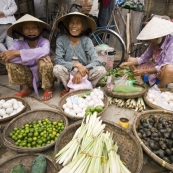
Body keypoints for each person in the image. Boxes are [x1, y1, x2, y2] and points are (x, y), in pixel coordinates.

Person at [0, 14, 55, 101]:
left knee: (45, 62)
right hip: (28, 77)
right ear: (22, 31)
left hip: (42, 77)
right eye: (26, 28)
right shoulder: (19, 44)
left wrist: (18, 53)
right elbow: (8, 57)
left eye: (34, 28)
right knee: (10, 63)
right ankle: (26, 88)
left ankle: (48, 88)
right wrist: (36, 57)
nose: (30, 31)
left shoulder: (44, 41)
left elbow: (44, 51)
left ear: (39, 29)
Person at [53, 12, 106, 97]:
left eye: (78, 23)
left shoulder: (86, 41)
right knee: (57, 69)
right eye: (71, 22)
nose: (74, 26)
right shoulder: (61, 40)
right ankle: (67, 88)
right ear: (67, 25)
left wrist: (82, 70)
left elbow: (95, 60)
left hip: (84, 72)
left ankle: (87, 88)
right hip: (68, 72)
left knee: (101, 70)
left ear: (82, 27)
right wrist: (76, 65)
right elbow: (58, 60)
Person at [120, 17, 173, 88]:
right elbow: (143, 58)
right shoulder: (154, 43)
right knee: (130, 59)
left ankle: (159, 88)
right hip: (154, 65)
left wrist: (144, 71)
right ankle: (139, 79)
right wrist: (128, 63)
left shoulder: (171, 43)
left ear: (160, 37)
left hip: (163, 70)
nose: (151, 42)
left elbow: (161, 67)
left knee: (169, 70)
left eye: (152, 40)